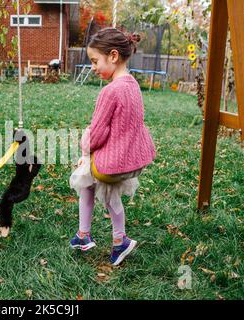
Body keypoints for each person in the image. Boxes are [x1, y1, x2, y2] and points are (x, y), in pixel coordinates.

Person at [69, 27, 156, 266]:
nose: (93, 67)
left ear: (114, 56)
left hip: (113, 163)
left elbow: (97, 133)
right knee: (91, 186)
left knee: (98, 188)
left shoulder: (110, 91)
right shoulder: (133, 86)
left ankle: (120, 241)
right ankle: (83, 235)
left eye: (95, 61)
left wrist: (85, 150)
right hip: (128, 158)